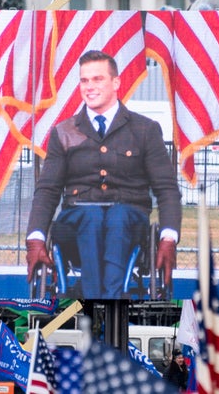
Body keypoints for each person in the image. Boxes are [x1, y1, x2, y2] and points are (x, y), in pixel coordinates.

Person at [25, 50, 182, 299]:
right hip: (76, 223)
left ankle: (100, 300)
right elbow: (47, 190)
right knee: (92, 216)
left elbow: (166, 189)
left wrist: (168, 239)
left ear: (116, 83)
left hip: (129, 220)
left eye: (97, 79)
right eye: (84, 81)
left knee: (117, 216)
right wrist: (35, 238)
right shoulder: (64, 132)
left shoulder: (145, 130)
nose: (89, 87)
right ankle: (106, 300)